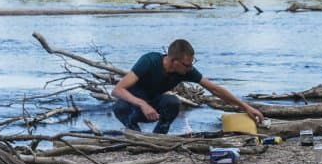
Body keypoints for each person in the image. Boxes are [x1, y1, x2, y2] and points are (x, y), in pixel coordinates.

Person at [111, 38, 264, 134]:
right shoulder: (149, 61)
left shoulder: (185, 70)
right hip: (131, 108)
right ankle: (135, 135)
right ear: (173, 61)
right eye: (187, 64)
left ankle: (158, 137)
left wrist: (245, 107)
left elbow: (214, 89)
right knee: (120, 107)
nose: (190, 68)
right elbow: (117, 90)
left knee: (172, 102)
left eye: (192, 63)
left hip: (153, 109)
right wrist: (142, 104)